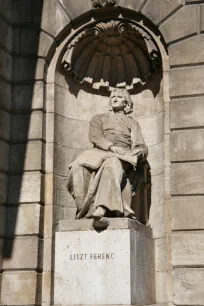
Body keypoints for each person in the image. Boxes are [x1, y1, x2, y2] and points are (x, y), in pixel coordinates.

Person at [67, 88, 148, 220]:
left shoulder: (132, 123)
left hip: (123, 155)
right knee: (77, 167)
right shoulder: (99, 118)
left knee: (112, 163)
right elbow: (95, 136)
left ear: (126, 103)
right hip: (99, 152)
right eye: (113, 97)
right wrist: (111, 146)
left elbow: (141, 146)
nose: (115, 99)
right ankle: (84, 211)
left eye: (119, 97)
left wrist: (138, 153)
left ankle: (102, 207)